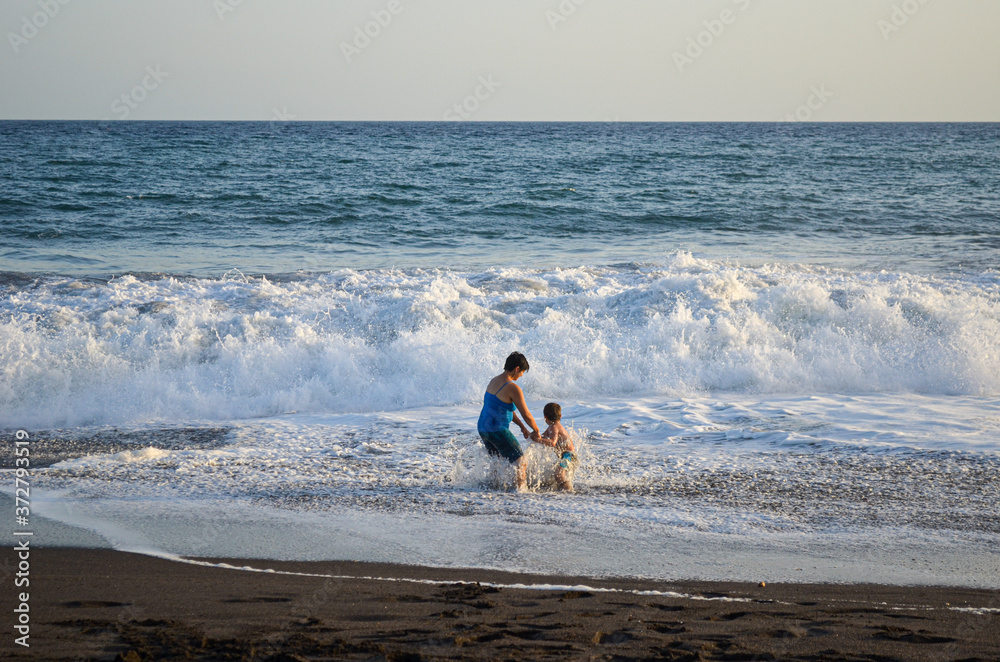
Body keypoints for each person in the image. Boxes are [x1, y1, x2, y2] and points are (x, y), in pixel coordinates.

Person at [477, 351, 540, 490]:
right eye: (522, 372)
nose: (521, 375)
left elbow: (504, 408)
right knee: (521, 461)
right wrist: (536, 430)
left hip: (483, 428)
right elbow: (527, 414)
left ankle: (492, 489)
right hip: (497, 429)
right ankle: (520, 492)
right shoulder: (513, 388)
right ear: (517, 369)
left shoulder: (494, 380)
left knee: (497, 461)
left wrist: (522, 427)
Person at [535, 402, 577, 492]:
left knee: (559, 474)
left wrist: (537, 440)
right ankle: (562, 490)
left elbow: (552, 443)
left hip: (569, 455)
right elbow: (542, 437)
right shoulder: (552, 427)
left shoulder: (554, 427)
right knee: (558, 474)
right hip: (566, 456)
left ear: (545, 417)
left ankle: (569, 491)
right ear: (560, 416)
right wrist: (533, 436)